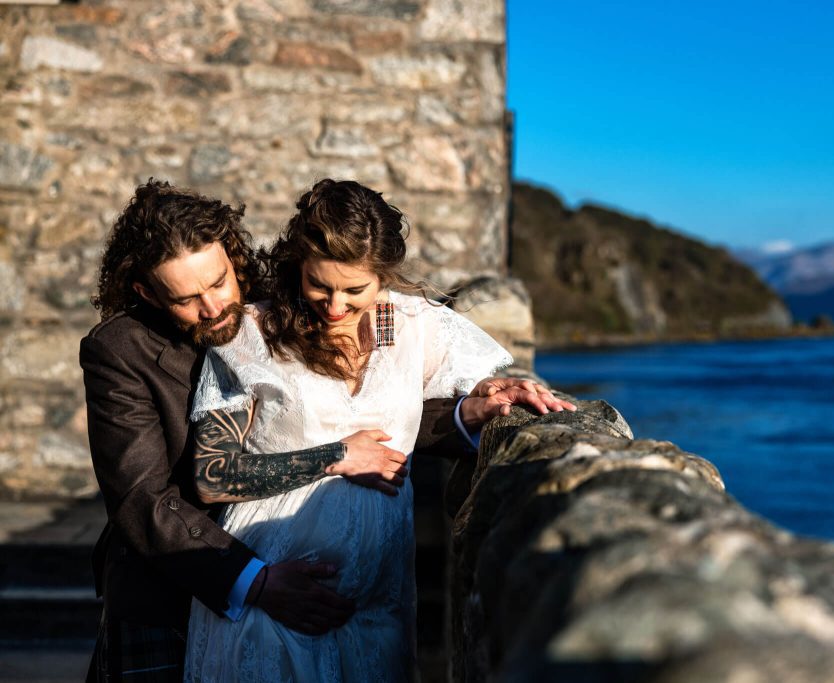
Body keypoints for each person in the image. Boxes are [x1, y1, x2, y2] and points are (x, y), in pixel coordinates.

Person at [81, 180, 530, 681]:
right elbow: (141, 499)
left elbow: (357, 412)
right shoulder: (119, 351)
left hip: (352, 606)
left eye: (219, 282)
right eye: (186, 298)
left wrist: (468, 414)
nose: (213, 307)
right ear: (146, 292)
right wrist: (256, 582)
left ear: (231, 256)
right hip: (173, 585)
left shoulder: (286, 301)